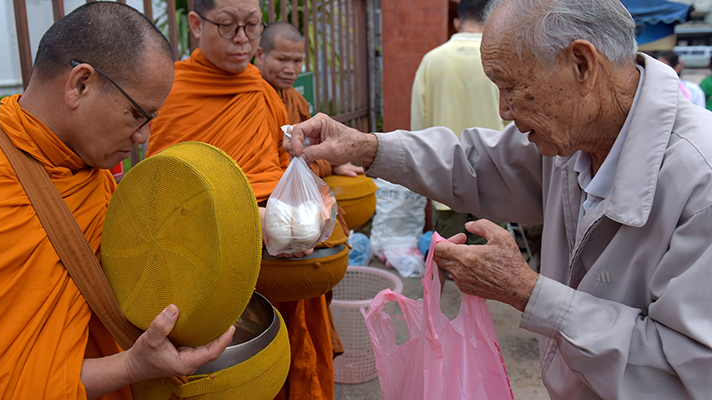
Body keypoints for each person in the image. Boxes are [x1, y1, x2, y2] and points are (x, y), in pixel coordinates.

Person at [284, 0, 712, 398]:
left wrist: (529, 292)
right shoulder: (577, 136)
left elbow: (685, 370)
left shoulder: (700, 180)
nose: (504, 110)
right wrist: (365, 147)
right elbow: (474, 163)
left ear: (582, 65)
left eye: (511, 87)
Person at [0, 3, 234, 399]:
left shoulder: (86, 173)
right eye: (138, 115)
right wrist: (130, 366)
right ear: (79, 84)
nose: (143, 138)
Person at [146, 1, 337, 399]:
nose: (242, 40)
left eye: (251, 27)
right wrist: (249, 218)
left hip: (283, 243)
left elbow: (276, 167)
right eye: (229, 26)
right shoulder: (175, 89)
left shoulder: (260, 89)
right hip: (212, 250)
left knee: (291, 341)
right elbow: (165, 190)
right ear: (196, 24)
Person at [411, 0, 505, 244]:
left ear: (456, 22)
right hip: (494, 178)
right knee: (491, 261)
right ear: (490, 20)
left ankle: (438, 285)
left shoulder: (431, 61)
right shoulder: (501, 60)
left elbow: (418, 127)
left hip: (446, 178)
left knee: (446, 254)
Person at [254, 22, 364, 177]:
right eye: (282, 59)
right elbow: (267, 164)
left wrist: (328, 163)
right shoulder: (251, 98)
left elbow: (305, 152)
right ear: (259, 55)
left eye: (297, 61)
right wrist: (329, 163)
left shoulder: (296, 100)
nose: (290, 70)